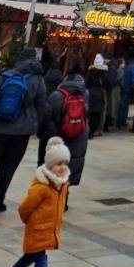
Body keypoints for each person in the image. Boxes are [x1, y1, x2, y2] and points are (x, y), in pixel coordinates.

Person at [0, 47, 47, 219]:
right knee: (8, 168)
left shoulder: (6, 75)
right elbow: (42, 106)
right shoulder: (38, 80)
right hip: (21, 132)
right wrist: (38, 127)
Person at [0, 137, 70, 267]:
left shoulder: (62, 184)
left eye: (65, 163)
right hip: (37, 229)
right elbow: (24, 207)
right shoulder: (42, 187)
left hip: (49, 229)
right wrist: (30, 221)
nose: (62, 167)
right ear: (50, 165)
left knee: (29, 257)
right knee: (41, 260)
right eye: (59, 164)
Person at [40, 65, 89, 212]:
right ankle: (63, 200)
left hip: (57, 135)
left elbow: (47, 116)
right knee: (68, 168)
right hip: (79, 135)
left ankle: (51, 199)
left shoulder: (57, 95)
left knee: (53, 167)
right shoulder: (84, 94)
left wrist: (41, 132)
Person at [85, 54, 107, 137]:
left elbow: (86, 83)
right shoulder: (103, 73)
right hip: (99, 95)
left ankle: (87, 130)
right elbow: (106, 84)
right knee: (96, 114)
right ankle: (92, 131)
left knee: (89, 113)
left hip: (91, 94)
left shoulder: (90, 72)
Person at [117, 55, 134, 129]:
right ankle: (121, 121)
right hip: (128, 89)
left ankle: (119, 121)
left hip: (124, 88)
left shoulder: (127, 66)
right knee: (124, 106)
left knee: (122, 106)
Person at [104, 56, 122, 132]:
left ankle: (107, 123)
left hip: (110, 89)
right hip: (112, 89)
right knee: (111, 107)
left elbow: (111, 80)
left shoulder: (111, 68)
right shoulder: (114, 68)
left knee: (110, 107)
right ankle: (108, 123)